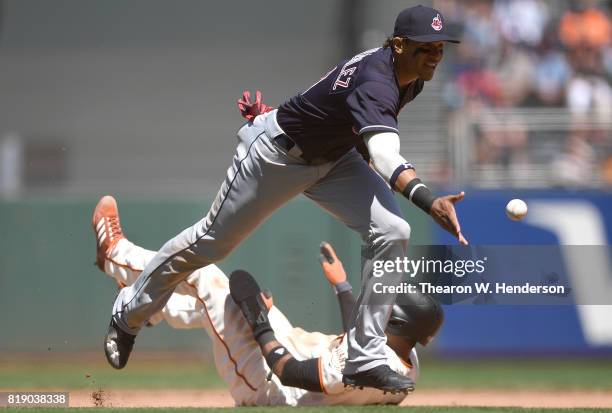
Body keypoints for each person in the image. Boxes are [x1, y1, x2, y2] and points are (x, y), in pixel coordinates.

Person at [104, 4, 466, 393]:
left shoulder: (409, 80)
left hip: (333, 158)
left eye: (440, 47)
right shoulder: (378, 79)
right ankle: (128, 315)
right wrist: (430, 201)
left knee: (393, 230)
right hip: (276, 157)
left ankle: (364, 356)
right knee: (209, 244)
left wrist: (298, 118)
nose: (435, 55)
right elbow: (383, 155)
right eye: (425, 47)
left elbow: (348, 120)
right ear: (397, 45)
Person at [93, 196, 444, 405]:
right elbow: (360, 335)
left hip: (267, 385)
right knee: (218, 303)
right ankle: (148, 309)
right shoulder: (404, 355)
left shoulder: (361, 369)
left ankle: (114, 254)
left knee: (206, 276)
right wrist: (343, 288)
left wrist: (261, 322)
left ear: (397, 324)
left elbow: (288, 373)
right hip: (295, 347)